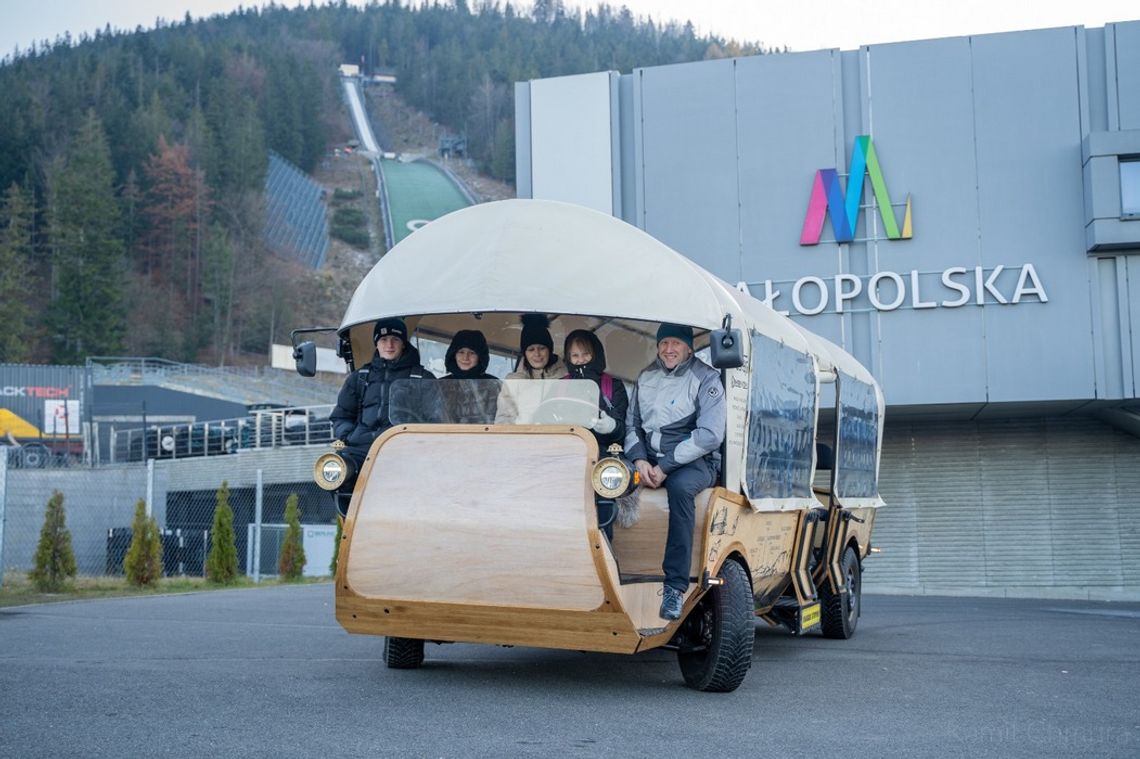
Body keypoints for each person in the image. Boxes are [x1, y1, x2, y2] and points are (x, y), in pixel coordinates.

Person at [624, 323, 726, 620]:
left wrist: (665, 467)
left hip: (694, 462)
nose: (669, 349)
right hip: (649, 459)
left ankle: (674, 587)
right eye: (664, 343)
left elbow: (709, 435)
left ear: (689, 348)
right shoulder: (646, 376)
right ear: (657, 346)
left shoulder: (707, 379)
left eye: (676, 344)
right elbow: (632, 425)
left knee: (681, 490)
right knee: (608, 480)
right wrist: (640, 460)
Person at [329, 317, 435, 514]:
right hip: (362, 450)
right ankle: (351, 520)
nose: (389, 345)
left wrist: (418, 443)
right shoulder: (359, 378)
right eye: (384, 339)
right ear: (376, 343)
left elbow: (436, 421)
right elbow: (341, 417)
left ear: (404, 343)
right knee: (335, 469)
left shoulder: (423, 378)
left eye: (395, 339)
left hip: (404, 450)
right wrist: (348, 436)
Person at [564, 329, 630, 539]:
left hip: (601, 454)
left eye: (586, 354)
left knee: (603, 486)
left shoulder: (613, 386)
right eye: (575, 356)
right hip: (566, 453)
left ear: (596, 354)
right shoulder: (560, 385)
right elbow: (543, 414)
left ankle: (604, 545)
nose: (580, 360)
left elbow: (622, 428)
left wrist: (610, 426)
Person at [495, 314, 568, 423]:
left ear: (550, 350)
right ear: (524, 353)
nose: (537, 354)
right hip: (522, 438)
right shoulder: (513, 381)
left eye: (542, 348)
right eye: (531, 349)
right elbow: (504, 418)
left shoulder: (566, 377)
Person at [440, 329, 499, 423]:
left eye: (472, 353)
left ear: (480, 356)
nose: (465, 357)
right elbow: (431, 417)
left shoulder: (493, 385)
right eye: (461, 352)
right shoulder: (440, 385)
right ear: (453, 354)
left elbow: (502, 419)